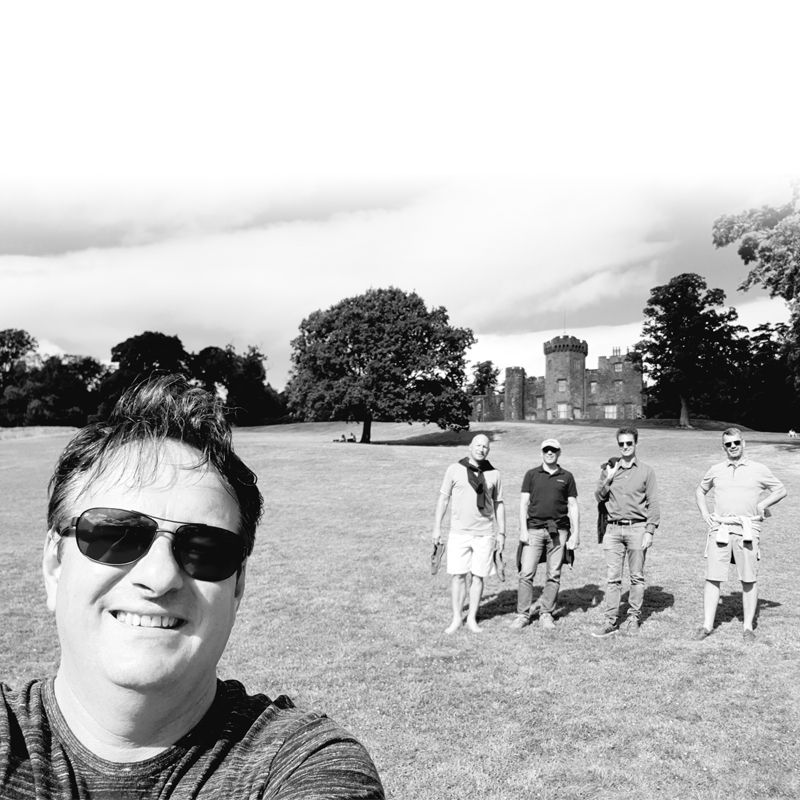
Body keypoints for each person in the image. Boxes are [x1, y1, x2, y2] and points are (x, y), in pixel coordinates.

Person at [0, 375, 384, 799]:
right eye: (115, 535)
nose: (160, 576)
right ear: (55, 564)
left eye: (205, 549)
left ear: (237, 587)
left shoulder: (303, 764)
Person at [694, 428, 787, 644]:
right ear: (723, 447)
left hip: (747, 529)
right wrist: (705, 514)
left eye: (736, 442)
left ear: (743, 443)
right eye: (728, 444)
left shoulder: (759, 469)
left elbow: (781, 490)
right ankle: (707, 626)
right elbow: (700, 490)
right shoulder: (716, 470)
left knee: (748, 578)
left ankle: (748, 628)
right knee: (712, 577)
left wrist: (762, 505)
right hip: (720, 528)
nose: (733, 446)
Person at [433, 434, 505, 634]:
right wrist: (437, 527)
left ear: (488, 450)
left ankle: (472, 618)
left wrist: (502, 532)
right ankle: (457, 618)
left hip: (484, 533)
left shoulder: (494, 474)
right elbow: (443, 499)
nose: (481, 449)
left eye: (485, 446)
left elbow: (499, 504)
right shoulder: (454, 469)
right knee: (458, 576)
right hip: (459, 532)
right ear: (470, 447)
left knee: (478, 577)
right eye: (478, 445)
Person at [592, 426, 660, 637]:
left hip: (637, 528)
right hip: (612, 529)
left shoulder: (646, 471)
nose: (625, 447)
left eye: (629, 443)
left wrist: (649, 531)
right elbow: (599, 496)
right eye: (621, 443)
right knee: (613, 578)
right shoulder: (610, 469)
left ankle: (633, 618)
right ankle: (610, 621)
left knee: (636, 577)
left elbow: (653, 503)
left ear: (635, 443)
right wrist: (609, 477)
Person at [510, 438, 579, 632]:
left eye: (553, 450)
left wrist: (576, 533)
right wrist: (523, 530)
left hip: (559, 531)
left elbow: (573, 505)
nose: (550, 453)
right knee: (526, 573)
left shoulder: (567, 476)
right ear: (542, 452)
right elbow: (523, 504)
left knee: (554, 574)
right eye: (546, 450)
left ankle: (546, 613)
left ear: (559, 453)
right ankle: (522, 615)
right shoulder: (531, 474)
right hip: (534, 529)